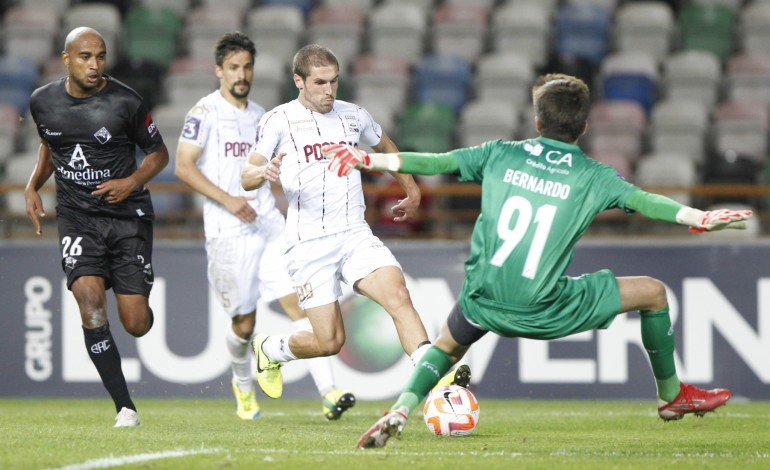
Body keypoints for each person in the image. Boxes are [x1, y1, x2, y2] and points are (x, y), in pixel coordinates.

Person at [321, 73, 753, 449]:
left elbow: (436, 162)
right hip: (544, 306)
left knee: (446, 346)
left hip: (483, 298)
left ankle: (401, 408)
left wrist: (366, 158)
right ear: (584, 127)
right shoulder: (594, 176)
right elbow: (645, 201)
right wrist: (699, 217)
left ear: (537, 121)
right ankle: (670, 396)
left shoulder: (499, 153)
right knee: (653, 293)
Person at [240, 44, 468, 400]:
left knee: (399, 295)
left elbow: (386, 146)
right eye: (319, 83)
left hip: (354, 234)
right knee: (329, 341)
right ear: (298, 81)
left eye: (334, 81)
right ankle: (270, 350)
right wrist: (261, 172)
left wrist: (412, 191)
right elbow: (246, 175)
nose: (329, 90)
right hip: (308, 244)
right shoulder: (278, 120)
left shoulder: (353, 115)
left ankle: (434, 376)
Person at [174, 32, 354, 420]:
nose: (242, 74)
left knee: (301, 303)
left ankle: (330, 391)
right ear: (219, 70)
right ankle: (243, 388)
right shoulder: (202, 114)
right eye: (234, 67)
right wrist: (228, 199)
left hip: (271, 227)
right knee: (244, 322)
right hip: (227, 232)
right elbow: (183, 167)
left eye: (248, 67)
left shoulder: (263, 115)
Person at [24, 27, 169, 427]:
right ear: (66, 59)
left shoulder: (126, 101)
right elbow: (51, 144)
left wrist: (132, 181)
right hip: (76, 216)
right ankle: (125, 407)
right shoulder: (42, 101)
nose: (94, 64)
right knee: (89, 303)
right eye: (85, 56)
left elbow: (159, 153)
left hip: (127, 216)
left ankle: (136, 299)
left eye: (100, 56)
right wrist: (33, 184)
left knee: (136, 324)